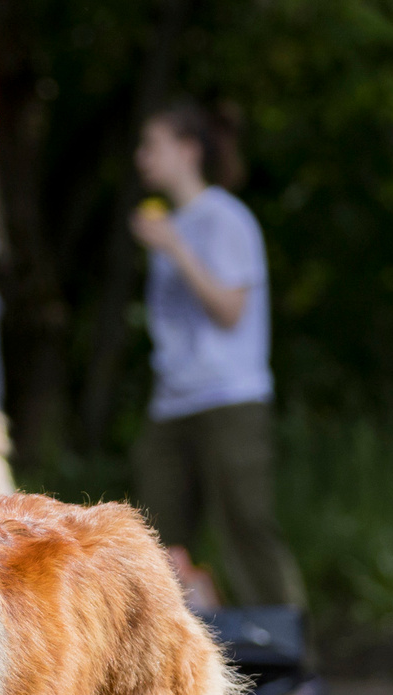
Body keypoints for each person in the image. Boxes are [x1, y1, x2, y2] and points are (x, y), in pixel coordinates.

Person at [127, 101, 305, 611]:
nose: (142, 158)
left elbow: (230, 310)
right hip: (171, 403)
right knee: (155, 541)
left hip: (230, 398)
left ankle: (292, 668)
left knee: (247, 527)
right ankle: (185, 664)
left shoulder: (225, 219)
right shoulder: (171, 222)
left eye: (151, 146)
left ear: (188, 151)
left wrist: (176, 247)